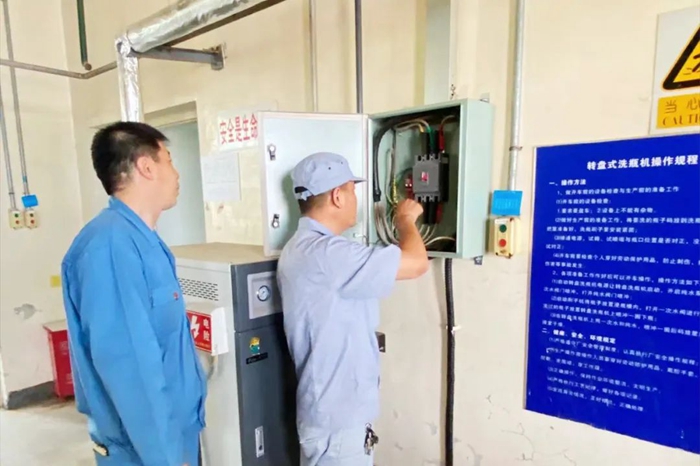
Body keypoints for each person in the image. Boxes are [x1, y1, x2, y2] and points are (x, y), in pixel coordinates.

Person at [61, 122, 206, 466]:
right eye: (169, 160)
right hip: (144, 450)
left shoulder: (142, 239)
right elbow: (131, 372)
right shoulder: (111, 248)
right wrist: (168, 458)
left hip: (174, 434)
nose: (176, 173)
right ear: (146, 166)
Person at [276, 152, 429, 466]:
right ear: (337, 196)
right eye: (352, 190)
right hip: (338, 424)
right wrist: (405, 221)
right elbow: (416, 264)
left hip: (330, 416)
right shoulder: (328, 254)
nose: (355, 198)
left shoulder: (301, 249)